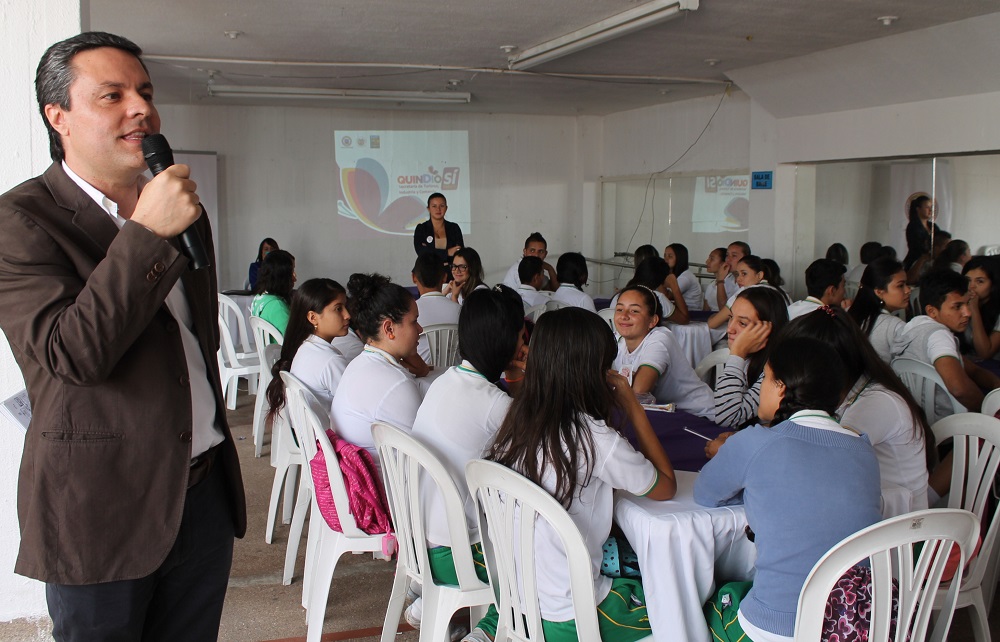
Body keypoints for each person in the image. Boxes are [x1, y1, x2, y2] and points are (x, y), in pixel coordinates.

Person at [0, 32, 246, 639]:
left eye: (145, 92)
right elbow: (72, 354)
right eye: (112, 95)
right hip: (99, 506)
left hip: (202, 492)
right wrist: (144, 232)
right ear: (58, 116)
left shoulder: (182, 207)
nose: (141, 108)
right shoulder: (19, 221)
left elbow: (193, 340)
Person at [483, 307, 677, 642]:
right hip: (572, 617)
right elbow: (666, 487)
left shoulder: (515, 422)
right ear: (595, 373)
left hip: (516, 603)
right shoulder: (595, 437)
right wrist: (632, 406)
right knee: (679, 609)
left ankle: (486, 630)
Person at [695, 336, 882, 642]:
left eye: (764, 379)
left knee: (710, 603)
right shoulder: (863, 450)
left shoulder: (754, 443)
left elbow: (705, 493)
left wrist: (727, 456)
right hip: (856, 622)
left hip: (778, 627)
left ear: (781, 386)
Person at [407, 286, 526, 636]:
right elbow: (541, 449)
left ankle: (424, 603)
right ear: (506, 342)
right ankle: (488, 631)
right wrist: (520, 378)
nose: (525, 344)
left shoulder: (447, 381)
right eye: (522, 334)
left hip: (419, 546)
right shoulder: (495, 405)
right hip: (458, 556)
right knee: (541, 559)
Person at [783, 307, 931, 518]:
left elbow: (823, 462)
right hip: (869, 508)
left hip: (901, 529)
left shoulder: (875, 403)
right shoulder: (844, 392)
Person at [330, 273, 424, 463]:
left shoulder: (359, 363)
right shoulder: (397, 384)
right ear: (389, 329)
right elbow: (425, 455)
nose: (420, 329)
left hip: (357, 478)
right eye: (414, 322)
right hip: (386, 487)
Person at [896, 269, 1000, 414]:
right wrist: (988, 410)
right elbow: (959, 389)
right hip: (952, 424)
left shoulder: (912, 327)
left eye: (967, 304)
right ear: (932, 311)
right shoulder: (939, 336)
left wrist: (996, 384)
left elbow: (972, 369)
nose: (967, 313)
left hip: (921, 417)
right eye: (957, 306)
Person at [612, 286, 715, 418]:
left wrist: (611, 378)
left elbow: (639, 391)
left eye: (634, 311)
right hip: (665, 414)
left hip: (700, 415)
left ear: (653, 321)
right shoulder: (618, 340)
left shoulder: (660, 339)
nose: (624, 316)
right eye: (619, 309)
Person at [265, 279, 351, 416]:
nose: (347, 315)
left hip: (307, 434)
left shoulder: (304, 347)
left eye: (346, 307)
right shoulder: (330, 361)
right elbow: (356, 406)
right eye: (338, 309)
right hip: (326, 435)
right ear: (313, 317)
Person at [711, 287, 790, 430]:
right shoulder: (748, 359)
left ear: (767, 330)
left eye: (742, 323)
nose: (730, 329)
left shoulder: (776, 369)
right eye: (730, 318)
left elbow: (727, 418)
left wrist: (737, 354)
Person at [847, 257, 910, 363]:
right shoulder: (894, 326)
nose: (908, 290)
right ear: (879, 292)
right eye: (900, 286)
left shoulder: (849, 313)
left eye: (906, 284)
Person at [411, 253, 461, 363]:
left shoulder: (407, 315)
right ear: (445, 277)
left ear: (414, 277)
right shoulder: (461, 312)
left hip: (420, 378)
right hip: (454, 377)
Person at [609, 257, 689, 325]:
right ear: (663, 279)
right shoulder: (656, 297)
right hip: (642, 342)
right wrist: (674, 286)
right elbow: (684, 319)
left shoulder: (619, 295)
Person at [707, 254, 773, 329]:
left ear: (759, 275)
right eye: (738, 274)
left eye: (744, 274)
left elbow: (712, 324)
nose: (738, 279)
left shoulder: (745, 293)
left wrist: (712, 316)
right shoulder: (779, 291)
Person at [962, 256, 1000, 360]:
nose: (971, 286)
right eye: (968, 280)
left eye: (980, 281)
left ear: (993, 285)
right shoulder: (960, 304)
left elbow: (985, 353)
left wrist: (974, 309)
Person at [251, 248, 296, 335]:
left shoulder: (259, 297)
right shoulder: (277, 305)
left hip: (266, 348)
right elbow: (293, 340)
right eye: (292, 271)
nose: (295, 276)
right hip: (279, 348)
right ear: (281, 275)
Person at [413, 192, 463, 266]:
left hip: (450, 271)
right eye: (434, 206)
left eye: (442, 206)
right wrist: (447, 253)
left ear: (446, 208)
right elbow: (422, 253)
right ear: (428, 209)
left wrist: (430, 251)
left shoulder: (454, 228)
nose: (438, 209)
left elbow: (458, 252)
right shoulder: (421, 228)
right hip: (427, 270)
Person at [664, 243, 703, 312]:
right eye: (665, 255)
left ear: (679, 258)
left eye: (670, 256)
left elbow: (667, 296)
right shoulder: (673, 274)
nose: (665, 259)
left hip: (693, 315)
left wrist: (657, 277)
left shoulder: (685, 277)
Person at [711, 241, 750, 310]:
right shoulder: (728, 278)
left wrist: (720, 280)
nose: (728, 259)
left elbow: (724, 310)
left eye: (734, 256)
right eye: (727, 255)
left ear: (745, 259)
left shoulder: (748, 281)